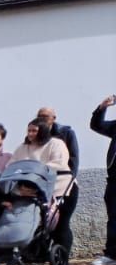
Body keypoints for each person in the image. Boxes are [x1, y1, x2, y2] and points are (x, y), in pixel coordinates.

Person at [36, 105, 80, 256]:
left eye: (45, 116)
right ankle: (39, 257)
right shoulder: (34, 134)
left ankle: (62, 257)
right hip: (43, 184)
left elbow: (74, 159)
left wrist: (70, 177)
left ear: (54, 118)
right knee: (42, 223)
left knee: (61, 223)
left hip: (63, 182)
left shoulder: (66, 133)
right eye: (39, 116)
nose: (42, 119)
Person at [90, 96, 116, 265]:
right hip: (115, 179)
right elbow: (96, 125)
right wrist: (102, 107)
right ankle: (112, 254)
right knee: (114, 217)